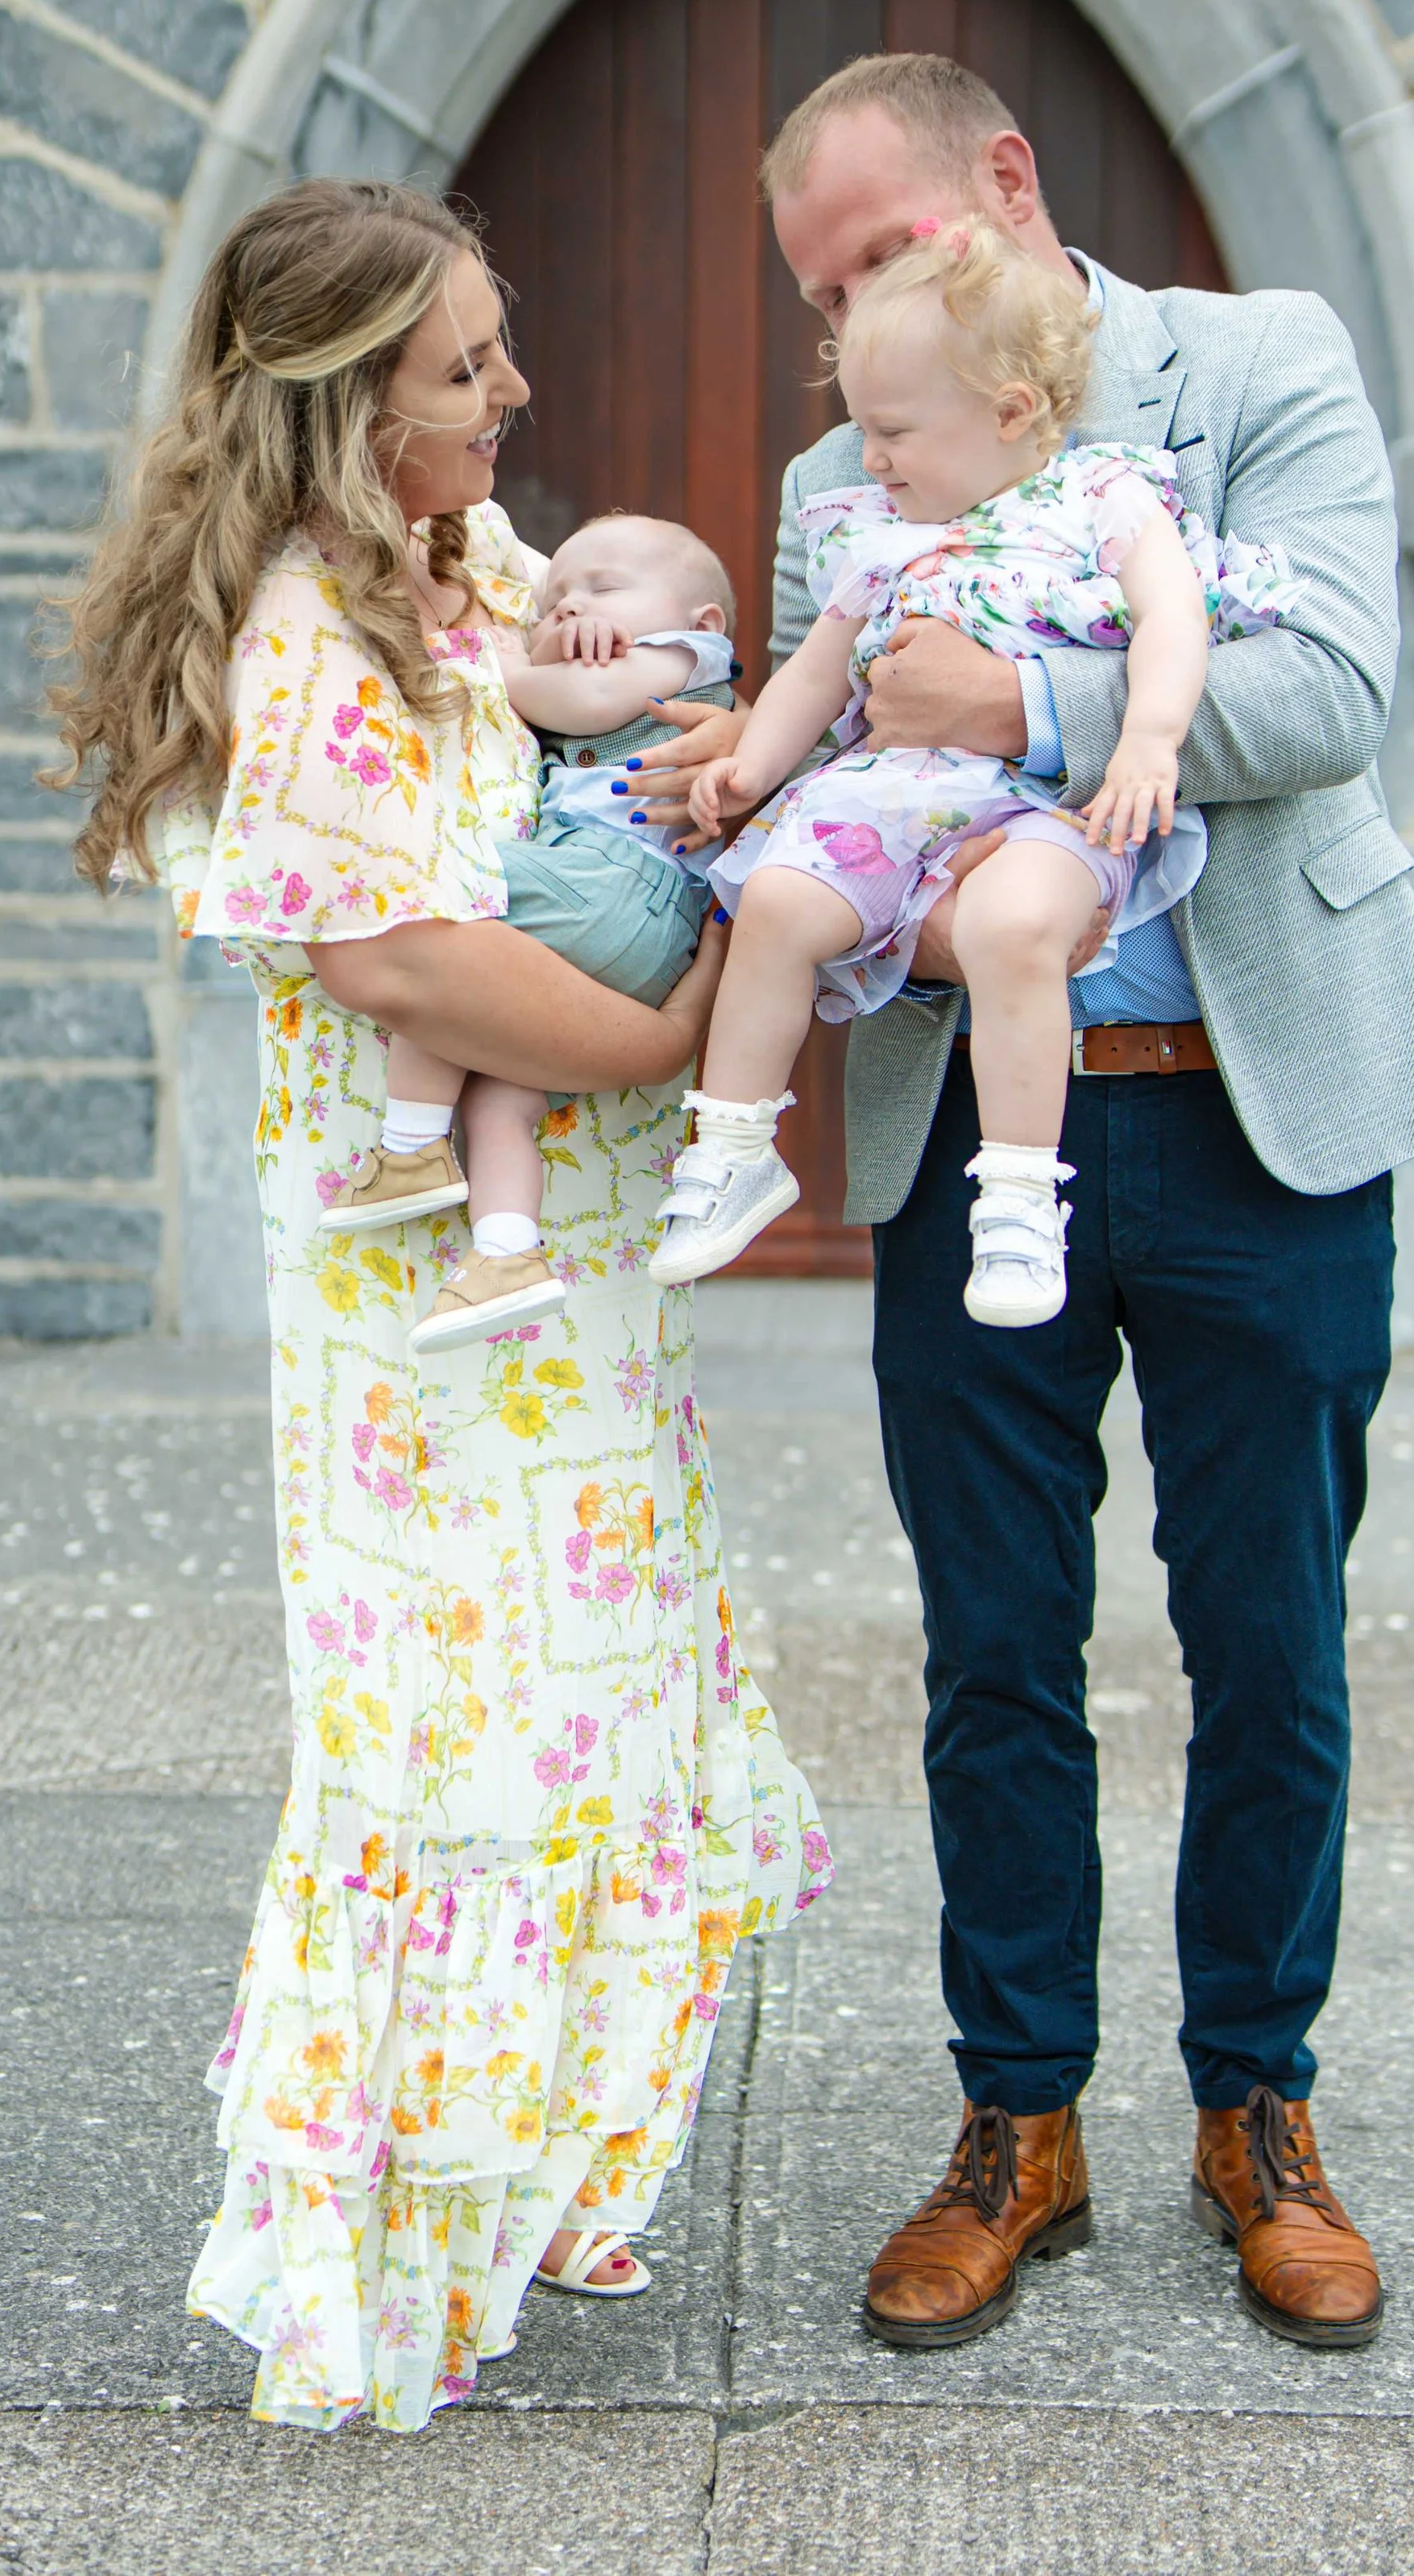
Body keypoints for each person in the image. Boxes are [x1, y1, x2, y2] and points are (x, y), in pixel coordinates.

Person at [47, 174, 829, 2429]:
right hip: (419, 1315)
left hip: (562, 1285)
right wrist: (689, 1031)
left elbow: (610, 775)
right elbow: (393, 951)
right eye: (464, 366)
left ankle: (515, 2209)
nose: (514, 393)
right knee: (444, 1749)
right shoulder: (299, 624)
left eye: (494, 350)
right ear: (339, 402)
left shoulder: (475, 567)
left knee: (575, 1721)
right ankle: (371, 2270)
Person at [760, 56, 1414, 2354]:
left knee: (1268, 1640)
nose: (855, 329)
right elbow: (824, 741)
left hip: (1256, 1114)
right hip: (980, 1130)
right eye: (820, 291)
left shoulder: (1259, 364)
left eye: (879, 259)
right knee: (993, 1648)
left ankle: (1254, 2106)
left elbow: (1332, 684)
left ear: (1001, 188)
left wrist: (1033, 699)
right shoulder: (830, 479)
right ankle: (1018, 2124)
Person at [655, 217, 1288, 1327]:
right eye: (862, 429)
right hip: (895, 801)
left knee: (1009, 932)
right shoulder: (882, 532)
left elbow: (1175, 618)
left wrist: (1147, 738)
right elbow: (813, 673)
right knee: (777, 901)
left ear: (1010, 411)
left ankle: (1017, 1200)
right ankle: (737, 1141)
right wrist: (750, 769)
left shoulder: (1104, 500)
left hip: (1044, 803)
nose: (874, 457)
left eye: (893, 431)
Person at [316, 511, 740, 1351]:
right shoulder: (602, 638)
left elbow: (582, 701)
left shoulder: (685, 660)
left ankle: (409, 1142)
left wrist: (504, 658)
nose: (569, 607)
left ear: (704, 622)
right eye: (556, 598)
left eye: (603, 589)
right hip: (614, 924)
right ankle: (507, 1250)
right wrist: (551, 638)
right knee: (497, 1081)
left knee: (440, 894)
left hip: (617, 884)